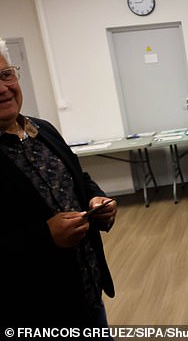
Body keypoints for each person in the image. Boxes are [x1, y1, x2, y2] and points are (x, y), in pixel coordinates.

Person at [0, 39, 117, 328]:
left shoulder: (43, 129)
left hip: (89, 296)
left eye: (6, 75)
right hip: (36, 312)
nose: (3, 88)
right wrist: (45, 235)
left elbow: (81, 179)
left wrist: (96, 200)